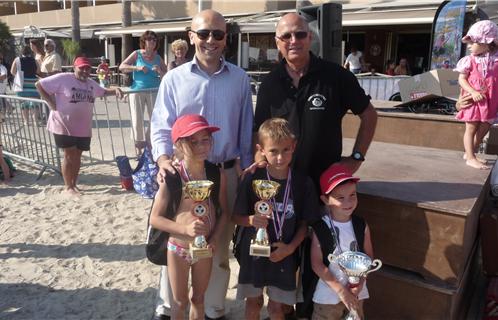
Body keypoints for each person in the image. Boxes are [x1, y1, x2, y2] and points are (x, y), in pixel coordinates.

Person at [150, 9, 253, 320]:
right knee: (177, 243)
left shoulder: (240, 78)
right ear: (191, 36)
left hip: (224, 173)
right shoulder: (173, 79)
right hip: (183, 174)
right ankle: (169, 308)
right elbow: (160, 125)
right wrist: (163, 160)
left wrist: (247, 169)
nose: (211, 40)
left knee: (217, 247)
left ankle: (212, 309)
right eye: (204, 33)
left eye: (218, 34)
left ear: (226, 38)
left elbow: (245, 127)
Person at [254, 13, 377, 190]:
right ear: (277, 42)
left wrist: (356, 158)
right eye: (286, 36)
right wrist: (260, 162)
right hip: (282, 186)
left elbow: (369, 115)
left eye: (300, 34)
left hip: (325, 186)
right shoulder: (269, 83)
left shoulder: (337, 76)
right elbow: (258, 129)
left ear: (310, 37)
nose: (294, 40)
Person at [232, 118, 319, 320]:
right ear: (261, 149)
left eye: (285, 150)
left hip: (284, 254)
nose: (280, 157)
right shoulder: (251, 178)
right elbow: (235, 217)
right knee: (253, 304)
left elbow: (305, 225)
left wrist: (290, 248)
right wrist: (252, 221)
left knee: (276, 309)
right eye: (273, 151)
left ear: (293, 147)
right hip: (253, 253)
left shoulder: (303, 183)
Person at [150, 114, 228, 320]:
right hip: (178, 248)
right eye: (193, 142)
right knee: (179, 301)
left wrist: (214, 239)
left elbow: (224, 212)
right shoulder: (171, 175)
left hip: (204, 248)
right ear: (178, 144)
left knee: (199, 299)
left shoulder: (216, 173)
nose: (201, 146)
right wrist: (184, 230)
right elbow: (155, 219)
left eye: (205, 140)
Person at [35, 57, 123, 195]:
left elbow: (103, 91)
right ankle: (68, 187)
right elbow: (39, 85)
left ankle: (74, 184)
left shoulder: (91, 83)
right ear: (74, 67)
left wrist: (116, 89)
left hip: (82, 127)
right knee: (69, 154)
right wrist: (51, 103)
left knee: (77, 155)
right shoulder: (63, 78)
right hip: (63, 124)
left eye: (87, 68)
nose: (85, 71)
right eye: (81, 68)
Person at [309, 164, 374, 320]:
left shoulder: (361, 225)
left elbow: (369, 257)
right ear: (325, 199)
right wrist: (341, 291)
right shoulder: (321, 228)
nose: (348, 202)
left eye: (353, 195)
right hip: (328, 298)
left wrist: (360, 283)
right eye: (340, 198)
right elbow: (316, 263)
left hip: (357, 295)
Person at [454, 20, 498, 170]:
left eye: (472, 42)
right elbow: (461, 78)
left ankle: (470, 152)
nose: (469, 46)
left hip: (490, 100)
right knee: (471, 128)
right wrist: (472, 91)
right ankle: (470, 157)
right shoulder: (469, 60)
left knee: (485, 125)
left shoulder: (496, 59)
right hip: (473, 99)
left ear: (486, 42)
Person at [119, 30, 167, 152]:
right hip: (137, 91)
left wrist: (160, 72)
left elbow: (167, 76)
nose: (152, 41)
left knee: (155, 119)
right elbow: (122, 67)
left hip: (154, 91)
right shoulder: (137, 54)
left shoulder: (158, 57)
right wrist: (137, 67)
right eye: (149, 39)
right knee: (137, 120)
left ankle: (149, 142)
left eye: (154, 39)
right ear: (144, 41)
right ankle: (138, 150)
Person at [10, 46, 41, 126]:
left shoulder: (17, 60)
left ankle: (26, 122)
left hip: (22, 84)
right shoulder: (35, 60)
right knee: (34, 103)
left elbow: (12, 71)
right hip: (33, 84)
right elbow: (38, 71)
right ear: (29, 52)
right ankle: (36, 121)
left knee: (24, 104)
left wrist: (18, 75)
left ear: (21, 52)